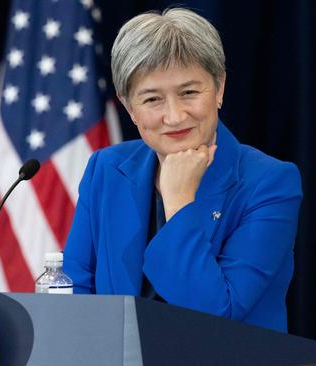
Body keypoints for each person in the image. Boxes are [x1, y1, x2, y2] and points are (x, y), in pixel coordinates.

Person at [63, 7, 302, 332]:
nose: (174, 116)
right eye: (152, 100)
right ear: (128, 107)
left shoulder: (270, 183)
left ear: (219, 89)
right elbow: (76, 293)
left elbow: (217, 314)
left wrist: (178, 202)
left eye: (189, 92)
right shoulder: (106, 169)